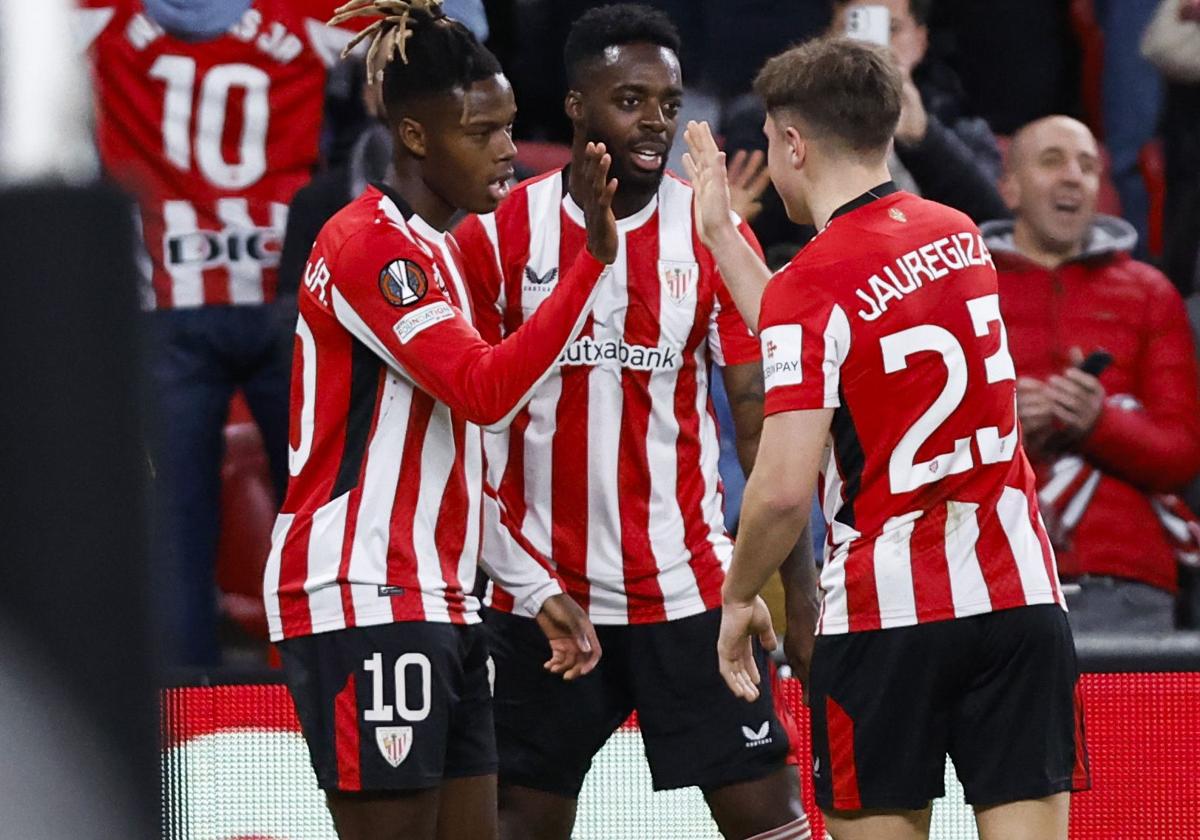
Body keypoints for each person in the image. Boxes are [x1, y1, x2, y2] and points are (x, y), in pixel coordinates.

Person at [684, 38, 1089, 840]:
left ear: (794, 145)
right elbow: (830, 336)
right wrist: (724, 238)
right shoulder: (959, 234)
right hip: (1017, 599)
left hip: (887, 616)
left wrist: (737, 597)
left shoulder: (813, 283)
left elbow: (785, 483)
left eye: (771, 142)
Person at [453, 6, 815, 840]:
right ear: (576, 106)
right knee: (520, 821)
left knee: (771, 817)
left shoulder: (713, 232)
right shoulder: (504, 232)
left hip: (687, 590)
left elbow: (767, 421)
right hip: (540, 596)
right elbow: (464, 412)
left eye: (668, 101)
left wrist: (795, 588)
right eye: (629, 99)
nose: (655, 121)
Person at [263, 3, 619, 838]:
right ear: (416, 136)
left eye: (509, 126)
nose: (506, 149)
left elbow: (451, 461)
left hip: (444, 599)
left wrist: (531, 588)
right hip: (364, 592)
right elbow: (483, 389)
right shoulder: (368, 249)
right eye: (483, 130)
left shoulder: (438, 256)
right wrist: (590, 265)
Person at [74, 0, 371, 665]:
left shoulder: (99, 15)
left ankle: (187, 723)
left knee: (176, 531)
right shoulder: (311, 13)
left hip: (165, 294)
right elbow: (441, 39)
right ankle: (338, 695)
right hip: (286, 291)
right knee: (320, 517)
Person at [981, 115, 1200, 633]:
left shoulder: (1151, 292)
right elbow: (921, 443)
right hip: (991, 578)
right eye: (1051, 161)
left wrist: (1098, 422)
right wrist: (1003, 424)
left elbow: (1182, 453)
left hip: (1124, 579)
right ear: (1008, 188)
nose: (1073, 177)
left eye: (1087, 167)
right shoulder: (961, 289)